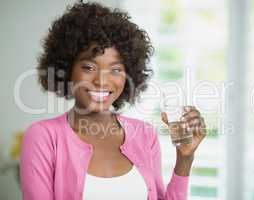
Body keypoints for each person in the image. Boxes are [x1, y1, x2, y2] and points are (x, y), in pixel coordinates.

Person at [20, 1, 206, 200]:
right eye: (89, 67)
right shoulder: (44, 137)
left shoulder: (144, 134)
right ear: (66, 70)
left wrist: (184, 160)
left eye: (116, 70)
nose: (101, 81)